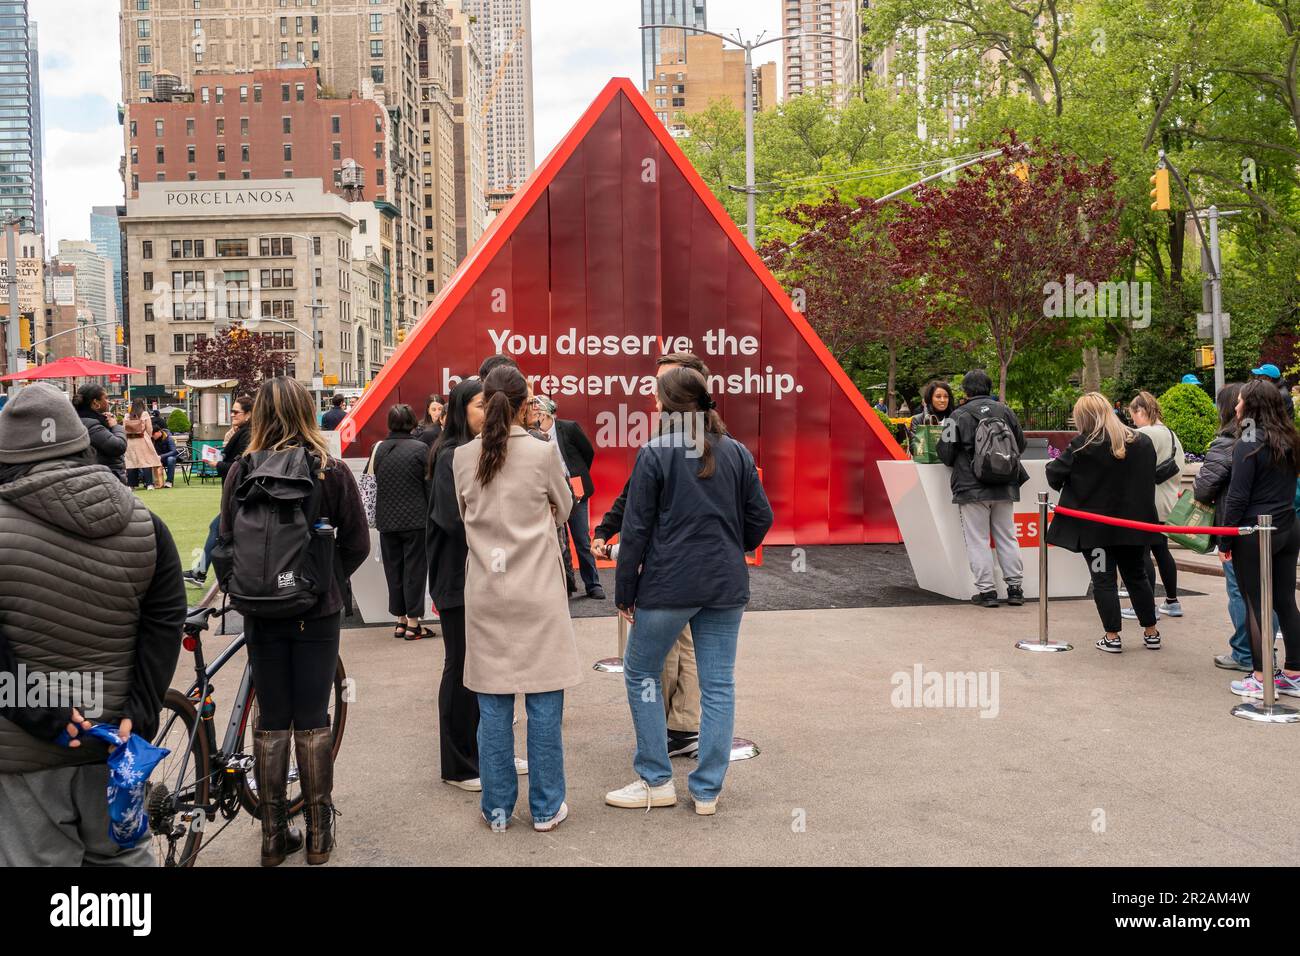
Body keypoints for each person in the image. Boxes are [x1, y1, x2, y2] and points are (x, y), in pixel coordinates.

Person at [0, 383, 186, 865]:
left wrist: (41, 712)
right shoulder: (145, 523)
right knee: (123, 863)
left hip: (24, 750)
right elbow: (164, 622)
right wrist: (140, 709)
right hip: (115, 738)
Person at [606, 366, 773, 816]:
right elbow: (762, 518)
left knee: (640, 672)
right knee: (719, 686)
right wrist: (731, 545)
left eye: (657, 397)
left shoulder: (655, 453)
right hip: (724, 583)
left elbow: (636, 529)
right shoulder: (735, 451)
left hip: (668, 583)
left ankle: (656, 779)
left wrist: (624, 592)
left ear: (668, 404)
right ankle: (707, 790)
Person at [219, 377, 369, 865]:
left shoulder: (241, 469)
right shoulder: (330, 470)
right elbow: (358, 542)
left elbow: (224, 541)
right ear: (308, 412)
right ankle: (320, 833)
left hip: (260, 610)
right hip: (314, 611)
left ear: (259, 416)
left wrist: (249, 588)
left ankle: (272, 832)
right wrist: (322, 580)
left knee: (272, 720)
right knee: (313, 718)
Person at [452, 364, 579, 832]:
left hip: (486, 590)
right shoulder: (543, 455)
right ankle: (546, 807)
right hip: (539, 592)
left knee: (493, 708)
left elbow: (464, 512)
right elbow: (564, 508)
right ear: (527, 403)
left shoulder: (462, 457)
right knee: (545, 706)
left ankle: (498, 806)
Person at [593, 352, 712, 759]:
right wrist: (608, 526)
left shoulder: (673, 441)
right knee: (688, 650)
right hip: (707, 573)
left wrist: (624, 591)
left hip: (671, 568)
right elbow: (635, 494)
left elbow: (640, 514)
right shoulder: (718, 441)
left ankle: (663, 744)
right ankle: (682, 728)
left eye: (662, 385)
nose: (655, 395)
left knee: (654, 656)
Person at [1046, 392, 1162, 653]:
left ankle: (1112, 636)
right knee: (1137, 576)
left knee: (1103, 579)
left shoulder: (1081, 446)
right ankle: (1151, 631)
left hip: (1095, 531)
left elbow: (1054, 475)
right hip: (1133, 528)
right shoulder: (1142, 442)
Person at [1220, 380, 1300, 699]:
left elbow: (1237, 497)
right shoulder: (1291, 439)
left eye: (1240, 402)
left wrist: (1225, 540)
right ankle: (1294, 672)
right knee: (1284, 600)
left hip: (1254, 531)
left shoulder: (1247, 442)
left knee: (1255, 604)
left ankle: (1260, 675)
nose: (1236, 408)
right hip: (1288, 526)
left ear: (1252, 406)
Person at [427, 379, 485, 790]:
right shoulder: (450, 456)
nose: (489, 412)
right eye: (482, 405)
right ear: (462, 409)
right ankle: (459, 763)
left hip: (476, 575)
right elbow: (454, 518)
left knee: (482, 669)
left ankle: (483, 750)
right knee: (461, 666)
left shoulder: (474, 452)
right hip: (456, 576)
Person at [1194, 383, 1273, 672]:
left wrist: (1225, 542)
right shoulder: (1274, 439)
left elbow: (1204, 489)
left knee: (1241, 592)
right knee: (1269, 594)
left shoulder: (1229, 442)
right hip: (1273, 526)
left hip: (1240, 527)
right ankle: (1265, 652)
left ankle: (1245, 653)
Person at [935, 369, 1029, 607]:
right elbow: (1020, 443)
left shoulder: (956, 416)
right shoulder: (1006, 411)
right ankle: (1015, 589)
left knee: (978, 539)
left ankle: (987, 592)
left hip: (971, 487)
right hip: (1005, 484)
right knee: (1007, 536)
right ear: (989, 388)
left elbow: (945, 453)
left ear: (965, 391)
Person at [533, 396, 603, 600]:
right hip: (549, 492)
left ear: (546, 414)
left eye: (539, 414)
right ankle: (564, 584)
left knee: (581, 538)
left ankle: (593, 584)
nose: (536, 417)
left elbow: (587, 452)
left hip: (576, 490)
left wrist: (577, 474)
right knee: (556, 541)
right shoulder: (532, 435)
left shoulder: (569, 428)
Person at [1123, 391, 1185, 620]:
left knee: (1142, 555)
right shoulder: (1171, 434)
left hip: (1145, 501)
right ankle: (1172, 601)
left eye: (1133, 415)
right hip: (1167, 502)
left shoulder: (1142, 434)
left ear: (1141, 411)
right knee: (1162, 551)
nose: (1133, 421)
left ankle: (1145, 605)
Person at [374, 403, 432, 641]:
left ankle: (399, 620)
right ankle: (413, 623)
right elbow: (428, 486)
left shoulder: (377, 449)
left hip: (387, 520)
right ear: (412, 423)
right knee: (415, 571)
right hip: (416, 519)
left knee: (393, 570)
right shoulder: (420, 449)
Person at [184, 393, 254, 586]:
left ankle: (203, 572)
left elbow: (240, 465)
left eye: (236, 412)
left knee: (219, 529)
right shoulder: (242, 431)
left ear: (248, 414)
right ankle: (200, 571)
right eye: (231, 411)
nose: (232, 415)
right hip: (238, 492)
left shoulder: (248, 433)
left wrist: (217, 464)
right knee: (217, 529)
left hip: (240, 493)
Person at [72, 384, 126, 484]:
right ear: (96, 403)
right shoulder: (91, 425)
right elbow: (118, 446)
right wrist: (116, 426)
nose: (108, 402)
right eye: (105, 398)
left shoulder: (78, 421)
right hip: (106, 477)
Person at [123, 398, 164, 490]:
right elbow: (149, 428)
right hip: (142, 439)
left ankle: (131, 485)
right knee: (146, 461)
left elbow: (124, 429)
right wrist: (148, 436)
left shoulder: (127, 416)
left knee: (131, 462)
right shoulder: (144, 414)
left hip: (131, 441)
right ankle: (149, 484)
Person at [151, 424, 178, 488]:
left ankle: (169, 481)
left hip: (168, 458)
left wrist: (161, 456)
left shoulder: (169, 438)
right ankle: (149, 482)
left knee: (170, 459)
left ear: (158, 432)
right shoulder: (152, 440)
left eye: (153, 434)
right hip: (157, 458)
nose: (152, 436)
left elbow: (174, 451)